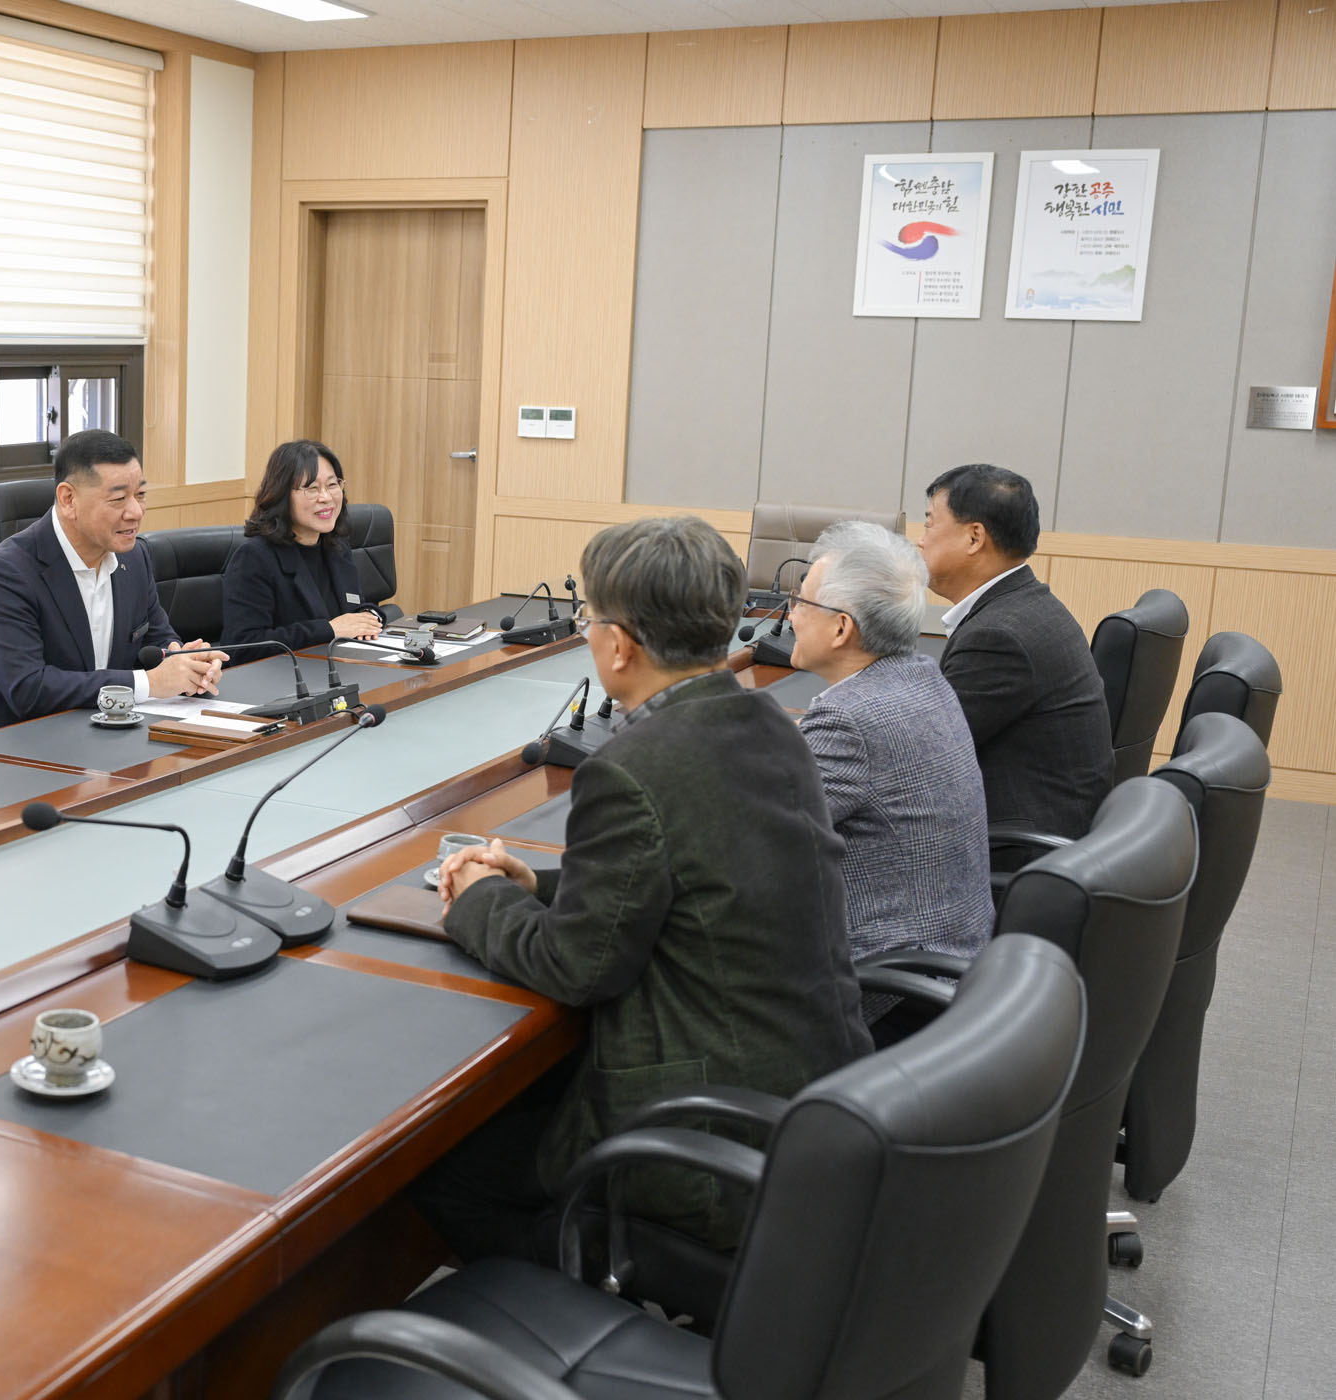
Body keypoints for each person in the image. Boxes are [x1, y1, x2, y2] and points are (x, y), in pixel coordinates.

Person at [417, 516, 872, 1262]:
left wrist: (476, 898)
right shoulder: (767, 721)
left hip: (703, 1135)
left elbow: (577, 966)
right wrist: (537, 882)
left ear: (620, 644)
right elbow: (689, 876)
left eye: (589, 620)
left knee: (446, 1171)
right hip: (812, 1101)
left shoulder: (629, 768)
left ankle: (585, 1293)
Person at [790, 520, 994, 1038]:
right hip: (953, 964)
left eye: (800, 602)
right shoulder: (923, 677)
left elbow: (752, 837)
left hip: (889, 996)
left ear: (841, 628)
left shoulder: (849, 721)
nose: (790, 614)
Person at [0, 430, 225, 735]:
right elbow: (29, 689)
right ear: (68, 499)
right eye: (118, 499)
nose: (136, 512)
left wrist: (186, 663)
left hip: (102, 734)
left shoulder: (134, 558)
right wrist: (150, 682)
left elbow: (156, 639)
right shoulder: (7, 573)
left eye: (140, 495)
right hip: (8, 742)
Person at [919, 463, 1112, 839]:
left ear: (974, 538)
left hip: (1016, 846)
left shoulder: (998, 638)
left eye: (929, 524)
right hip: (1044, 820)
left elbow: (922, 752)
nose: (920, 541)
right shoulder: (1025, 604)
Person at [220, 440, 383, 651]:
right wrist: (329, 629)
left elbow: (352, 607)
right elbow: (244, 645)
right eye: (312, 488)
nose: (326, 497)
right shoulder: (254, 558)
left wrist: (369, 615)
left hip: (339, 662)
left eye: (332, 485)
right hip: (286, 670)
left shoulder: (336, 546)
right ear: (282, 495)